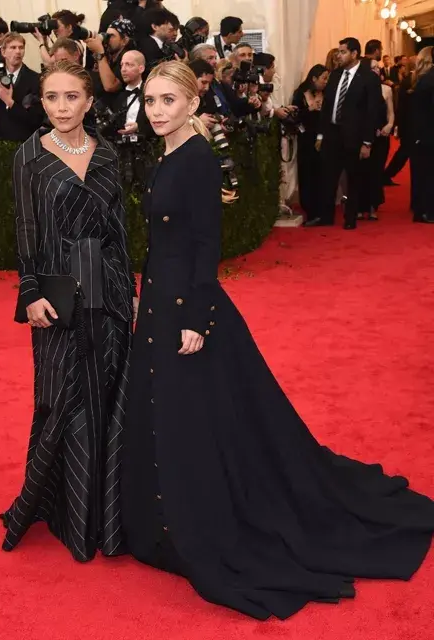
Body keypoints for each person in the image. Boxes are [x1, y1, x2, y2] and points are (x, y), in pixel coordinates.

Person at [121, 59, 434, 621]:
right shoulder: (164, 152)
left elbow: (204, 244)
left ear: (193, 104)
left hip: (184, 307)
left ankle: (198, 515)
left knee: (193, 414)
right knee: (181, 412)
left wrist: (193, 317)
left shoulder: (196, 159)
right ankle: (162, 513)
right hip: (160, 298)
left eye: (169, 100)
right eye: (150, 101)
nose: (157, 111)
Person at [0, 59, 135, 562]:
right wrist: (30, 293)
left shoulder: (107, 155)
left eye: (70, 97)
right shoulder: (29, 157)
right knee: (63, 399)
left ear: (88, 101)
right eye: (51, 98)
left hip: (111, 292)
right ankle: (67, 510)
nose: (61, 107)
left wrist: (131, 288)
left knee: (110, 396)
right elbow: (25, 229)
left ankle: (110, 514)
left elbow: (120, 229)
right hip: (56, 295)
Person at [306, 38, 382, 229]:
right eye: (338, 52)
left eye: (343, 52)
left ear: (354, 54)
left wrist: (367, 142)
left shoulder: (369, 78)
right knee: (327, 177)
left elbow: (372, 112)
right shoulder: (335, 75)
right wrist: (321, 135)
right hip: (332, 135)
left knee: (353, 179)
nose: (338, 55)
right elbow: (327, 107)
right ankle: (326, 217)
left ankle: (350, 218)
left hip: (354, 137)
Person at [291, 64, 330, 219]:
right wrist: (310, 109)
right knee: (307, 174)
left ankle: (323, 208)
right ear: (313, 78)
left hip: (325, 138)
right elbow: (295, 116)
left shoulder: (328, 94)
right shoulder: (301, 93)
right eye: (324, 78)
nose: (326, 82)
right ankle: (309, 208)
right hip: (306, 139)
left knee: (323, 174)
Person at [365, 57, 395, 219]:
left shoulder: (386, 90)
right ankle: (360, 206)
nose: (377, 70)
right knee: (363, 171)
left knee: (376, 171)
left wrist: (389, 125)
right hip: (364, 137)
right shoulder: (360, 89)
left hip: (382, 137)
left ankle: (373, 206)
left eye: (378, 68)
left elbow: (391, 113)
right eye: (373, 68)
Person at [411, 46, 434, 224]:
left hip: (420, 133)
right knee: (428, 174)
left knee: (422, 173)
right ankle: (426, 211)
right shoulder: (430, 79)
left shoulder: (423, 79)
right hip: (428, 134)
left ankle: (421, 210)